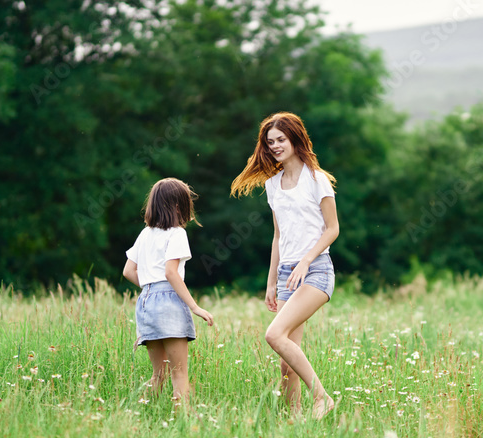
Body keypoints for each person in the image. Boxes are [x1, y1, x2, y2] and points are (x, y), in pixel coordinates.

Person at [231, 112, 337, 419]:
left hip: (316, 271)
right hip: (287, 275)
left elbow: (332, 229)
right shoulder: (273, 185)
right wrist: (272, 282)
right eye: (270, 142)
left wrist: (306, 261)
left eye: (281, 140)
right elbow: (278, 236)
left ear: (295, 139)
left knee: (274, 336)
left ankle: (322, 397)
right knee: (286, 362)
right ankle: (295, 421)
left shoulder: (317, 180)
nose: (276, 146)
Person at [123, 178, 214, 409]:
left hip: (146, 301)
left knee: (158, 374)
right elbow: (171, 273)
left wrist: (150, 288)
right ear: (178, 206)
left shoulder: (145, 234)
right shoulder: (177, 234)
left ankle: (140, 412)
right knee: (179, 375)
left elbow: (128, 271)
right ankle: (184, 422)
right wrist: (195, 307)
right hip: (169, 301)